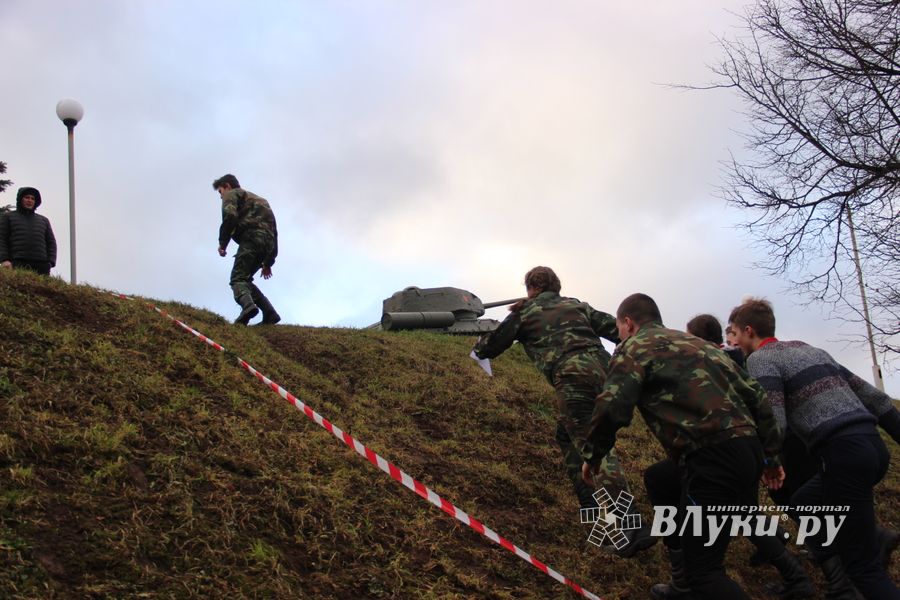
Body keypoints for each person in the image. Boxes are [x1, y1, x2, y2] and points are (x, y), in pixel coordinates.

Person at [582, 293, 784, 600]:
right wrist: (770, 458)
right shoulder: (704, 346)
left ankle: (692, 582)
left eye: (619, 329)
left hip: (712, 457)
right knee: (661, 479)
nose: (619, 336)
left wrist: (593, 455)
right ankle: (682, 585)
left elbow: (611, 409)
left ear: (627, 323)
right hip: (747, 450)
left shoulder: (634, 347)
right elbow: (757, 397)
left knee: (705, 573)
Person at [473, 267, 654, 558]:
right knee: (566, 436)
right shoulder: (576, 304)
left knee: (596, 448)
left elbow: (494, 343)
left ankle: (629, 526)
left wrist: (477, 351)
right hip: (607, 373)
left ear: (531, 287)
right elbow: (617, 329)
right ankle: (591, 505)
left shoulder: (526, 311)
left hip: (572, 378)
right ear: (556, 286)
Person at [729, 298, 900, 600]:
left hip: (842, 454)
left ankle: (864, 554)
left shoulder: (761, 360)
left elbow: (775, 423)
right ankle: (870, 536)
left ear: (748, 330)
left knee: (863, 567)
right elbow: (875, 399)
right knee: (803, 500)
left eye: (735, 334)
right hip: (873, 447)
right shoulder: (811, 349)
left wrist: (769, 463)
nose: (735, 342)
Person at [680, 312, 813, 599]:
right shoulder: (734, 358)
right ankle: (787, 561)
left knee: (744, 512)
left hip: (735, 446)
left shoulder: (717, 360)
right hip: (747, 445)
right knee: (744, 510)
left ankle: (794, 573)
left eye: (688, 335)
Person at [212, 174, 281, 325]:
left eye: (220, 191)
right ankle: (270, 313)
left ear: (227, 186)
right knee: (245, 280)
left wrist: (223, 244)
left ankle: (248, 307)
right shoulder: (262, 201)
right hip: (267, 244)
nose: (221, 196)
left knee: (237, 279)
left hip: (250, 239)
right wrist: (268, 262)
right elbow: (274, 231)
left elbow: (230, 216)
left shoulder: (231, 194)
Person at [0, 187, 57, 275]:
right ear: (20, 199)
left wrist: (50, 262)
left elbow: (51, 243)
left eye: (32, 198)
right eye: (27, 197)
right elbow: (1, 239)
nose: (30, 200)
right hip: (17, 262)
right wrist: (4, 260)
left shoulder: (44, 220)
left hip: (41, 265)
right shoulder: (7, 217)